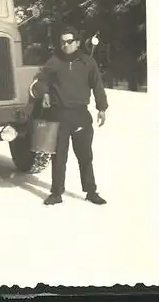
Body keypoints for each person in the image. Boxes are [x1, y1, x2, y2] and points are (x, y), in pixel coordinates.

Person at [30, 25, 108, 206]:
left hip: (81, 115)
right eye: (62, 42)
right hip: (58, 115)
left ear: (78, 43)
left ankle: (91, 191)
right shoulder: (54, 62)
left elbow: (97, 86)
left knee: (85, 156)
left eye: (69, 41)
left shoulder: (88, 62)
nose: (65, 45)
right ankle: (56, 193)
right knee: (59, 157)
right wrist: (45, 93)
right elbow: (41, 81)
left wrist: (102, 108)